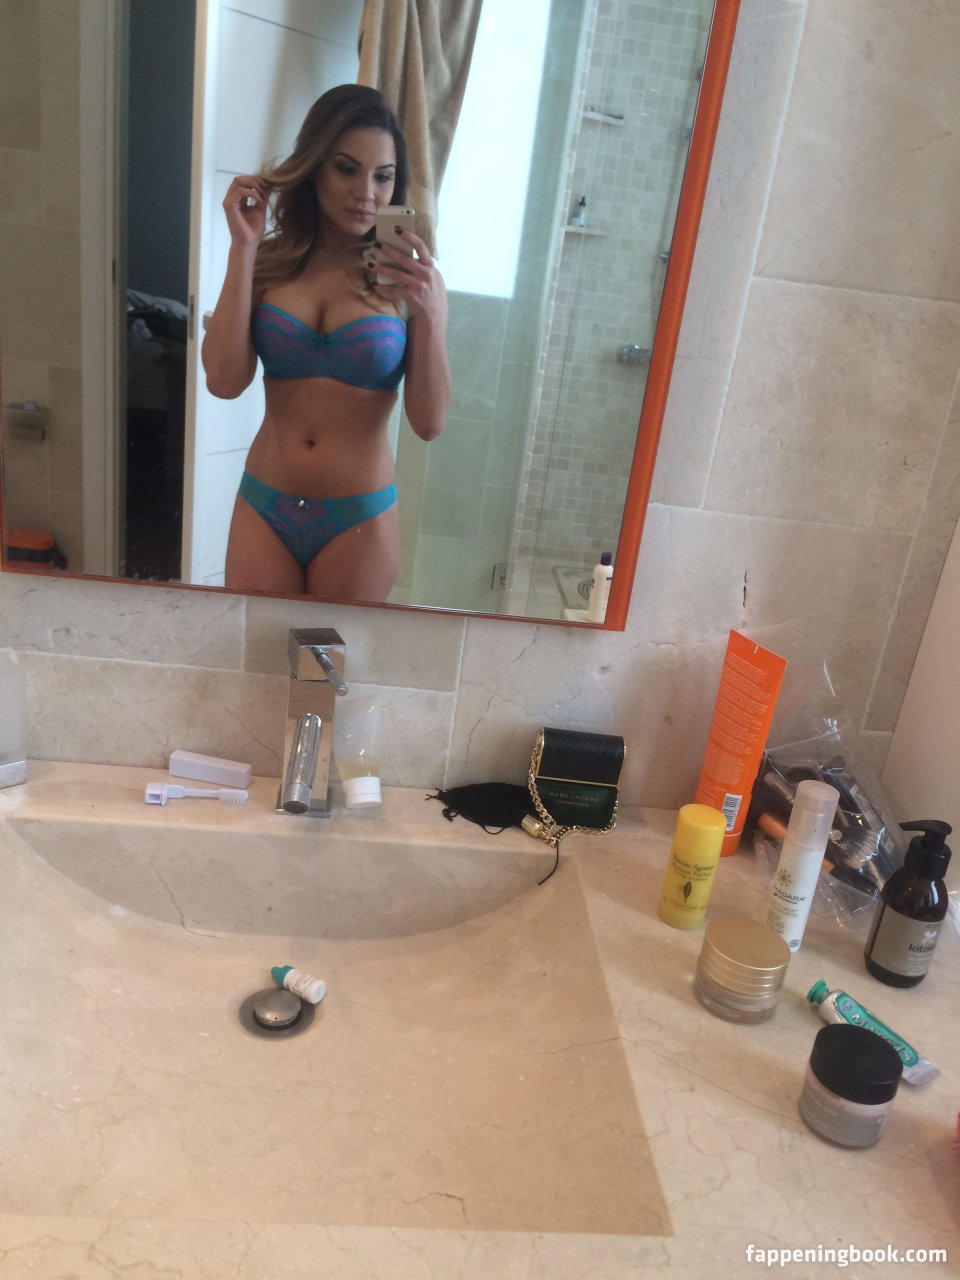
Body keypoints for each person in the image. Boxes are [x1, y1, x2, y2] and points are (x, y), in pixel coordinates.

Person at [202, 85, 450, 600]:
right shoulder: (270, 262)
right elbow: (224, 382)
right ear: (314, 166)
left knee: (334, 655)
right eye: (346, 169)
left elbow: (429, 423)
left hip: (358, 517)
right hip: (264, 503)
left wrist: (431, 315)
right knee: (254, 651)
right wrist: (243, 248)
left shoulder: (412, 282)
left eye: (383, 176)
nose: (367, 193)